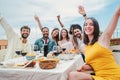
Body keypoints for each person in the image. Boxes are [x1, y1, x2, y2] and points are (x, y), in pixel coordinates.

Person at [68, 5, 120, 80]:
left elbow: (116, 13)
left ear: (96, 27)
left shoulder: (103, 39)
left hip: (114, 75)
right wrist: (83, 67)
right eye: (85, 25)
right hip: (99, 77)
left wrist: (85, 15)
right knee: (72, 75)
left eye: (91, 24)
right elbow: (94, 64)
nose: (87, 26)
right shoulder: (84, 47)